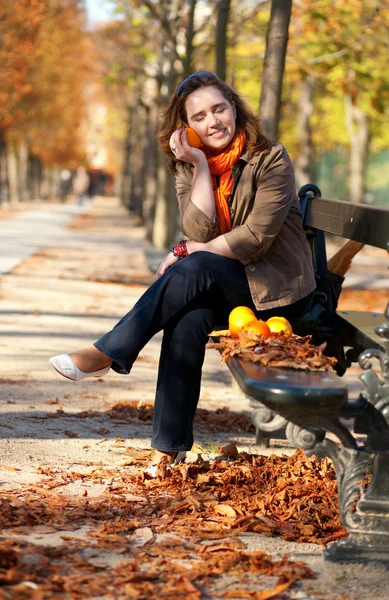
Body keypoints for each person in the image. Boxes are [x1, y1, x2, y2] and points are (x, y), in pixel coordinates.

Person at [49, 71, 316, 475]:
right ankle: (169, 447)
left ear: (234, 108)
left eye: (219, 108)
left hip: (279, 293)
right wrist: (201, 169)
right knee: (187, 316)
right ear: (186, 127)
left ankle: (108, 351)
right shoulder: (189, 166)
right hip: (231, 285)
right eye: (200, 116)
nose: (213, 122)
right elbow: (198, 231)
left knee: (196, 264)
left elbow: (255, 239)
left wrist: (188, 251)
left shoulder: (270, 157)